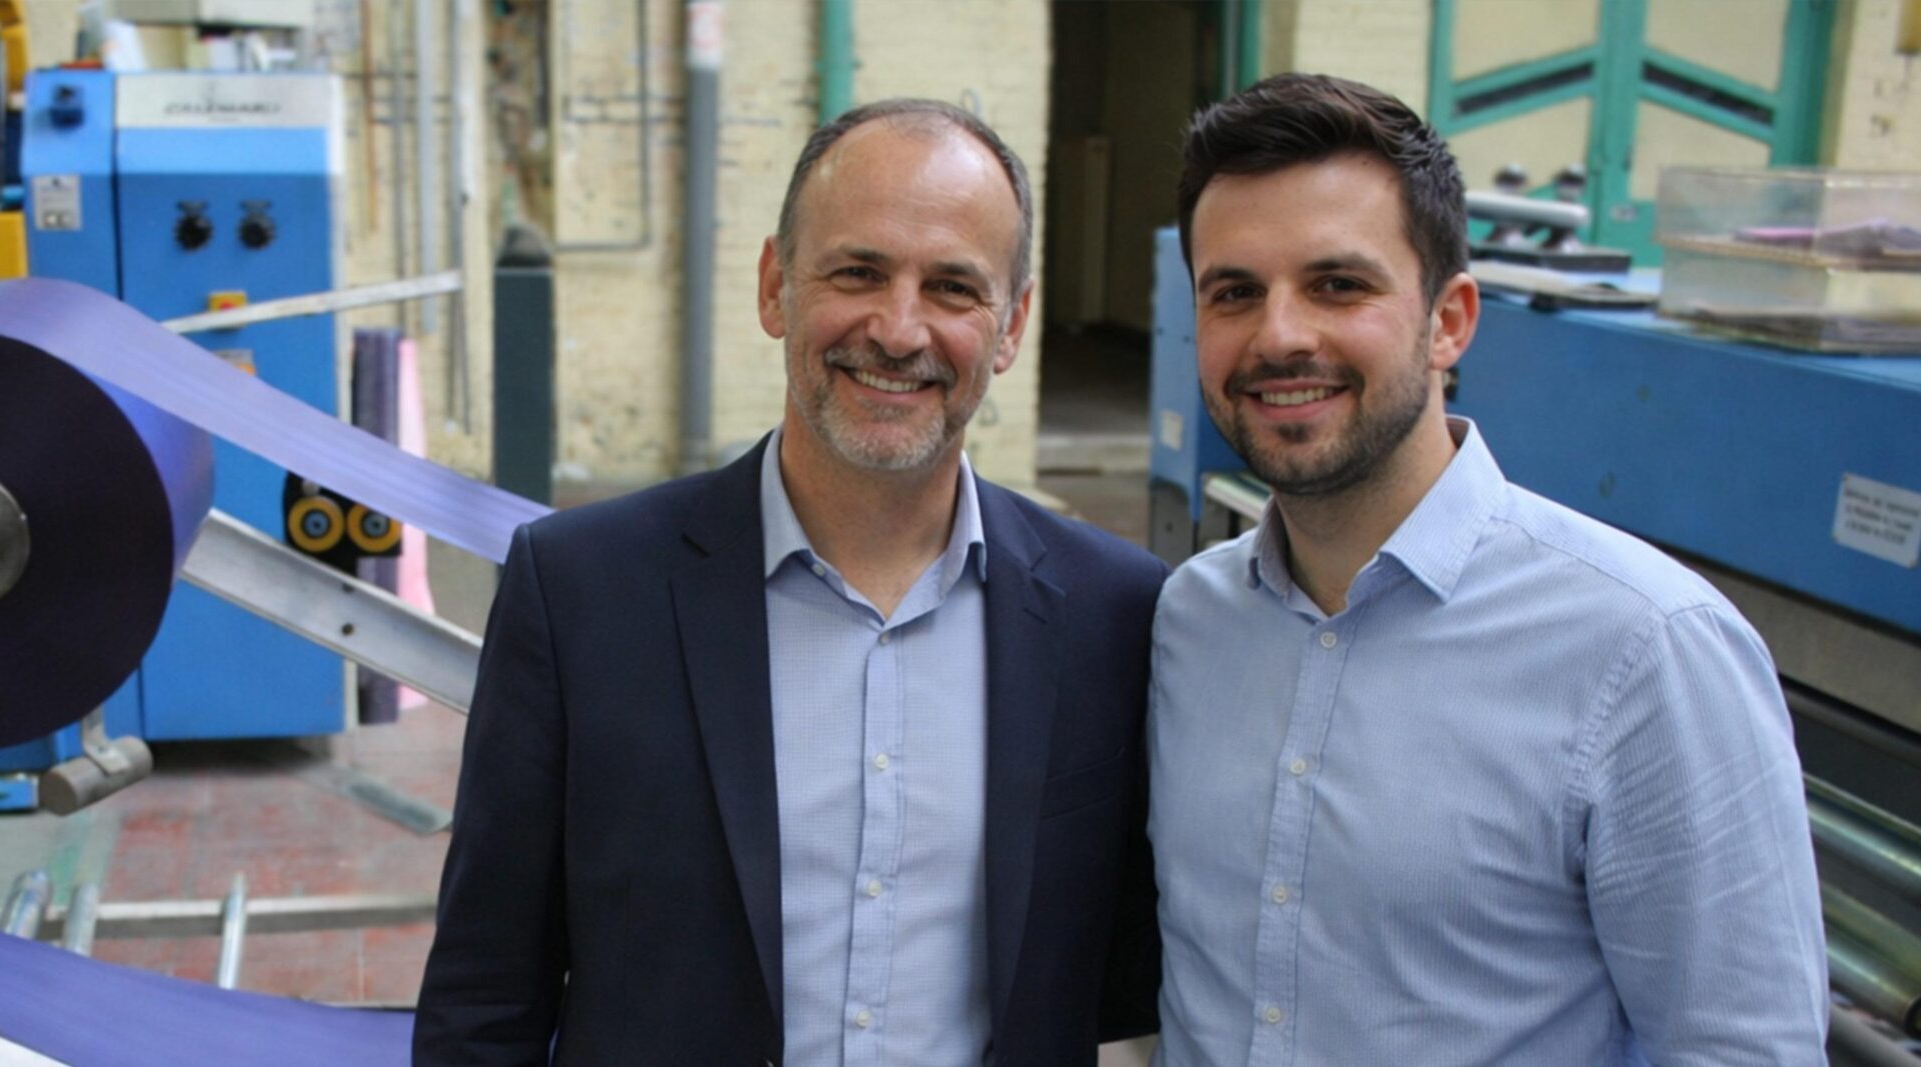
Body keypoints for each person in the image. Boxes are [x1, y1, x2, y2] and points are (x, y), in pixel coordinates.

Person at [415, 98, 1167, 1066]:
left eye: (952, 287)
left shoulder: (1116, 613)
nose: (898, 329)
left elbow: (1119, 973)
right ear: (775, 287)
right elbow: (484, 993)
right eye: (857, 272)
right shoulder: (580, 591)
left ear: (1012, 324)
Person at [1149, 73, 1828, 1065]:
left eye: (1338, 285)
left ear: (1450, 321)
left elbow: (1743, 1047)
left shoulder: (1646, 652)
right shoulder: (1190, 620)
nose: (1280, 334)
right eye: (1234, 292)